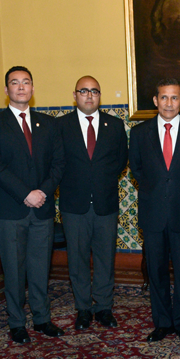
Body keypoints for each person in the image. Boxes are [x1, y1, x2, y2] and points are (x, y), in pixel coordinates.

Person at [0, 66, 65, 343]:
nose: (21, 87)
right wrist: (25, 193)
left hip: (42, 207)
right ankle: (16, 322)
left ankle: (42, 318)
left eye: (26, 82)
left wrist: (42, 191)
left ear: (32, 88)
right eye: (15, 83)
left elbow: (58, 163)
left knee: (40, 268)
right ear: (6, 90)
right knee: (14, 270)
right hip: (10, 210)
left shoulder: (48, 124)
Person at [129, 79, 180, 344]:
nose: (169, 103)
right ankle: (162, 323)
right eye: (163, 97)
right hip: (153, 212)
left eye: (174, 98)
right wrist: (158, 190)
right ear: (155, 100)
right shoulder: (139, 133)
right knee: (156, 271)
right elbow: (137, 169)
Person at [56, 76, 128, 331]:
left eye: (94, 91)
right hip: (74, 205)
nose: (89, 95)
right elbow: (56, 162)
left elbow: (120, 161)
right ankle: (84, 308)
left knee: (105, 258)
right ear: (75, 95)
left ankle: (104, 307)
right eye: (84, 91)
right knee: (77, 260)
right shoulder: (61, 126)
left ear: (100, 95)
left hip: (105, 203)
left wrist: (99, 180)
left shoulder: (115, 125)